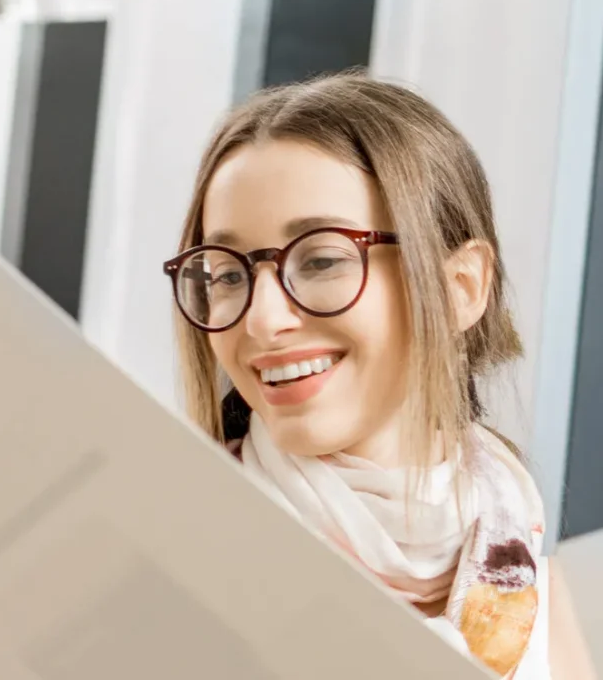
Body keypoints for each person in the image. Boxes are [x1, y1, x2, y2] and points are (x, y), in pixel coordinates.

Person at [166, 74, 550, 678]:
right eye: (227, 274)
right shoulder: (178, 558)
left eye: (320, 260)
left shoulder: (531, 555)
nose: (262, 320)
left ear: (460, 288)